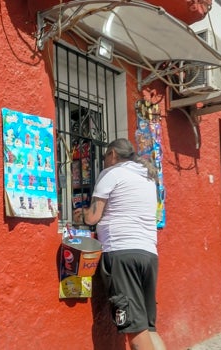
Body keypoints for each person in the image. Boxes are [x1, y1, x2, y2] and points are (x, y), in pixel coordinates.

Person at [82, 138, 166, 350]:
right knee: (148, 327)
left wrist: (81, 214)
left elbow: (92, 218)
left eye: (105, 158)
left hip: (122, 253)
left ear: (112, 155)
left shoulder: (112, 173)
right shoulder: (146, 176)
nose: (104, 162)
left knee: (134, 330)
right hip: (148, 254)